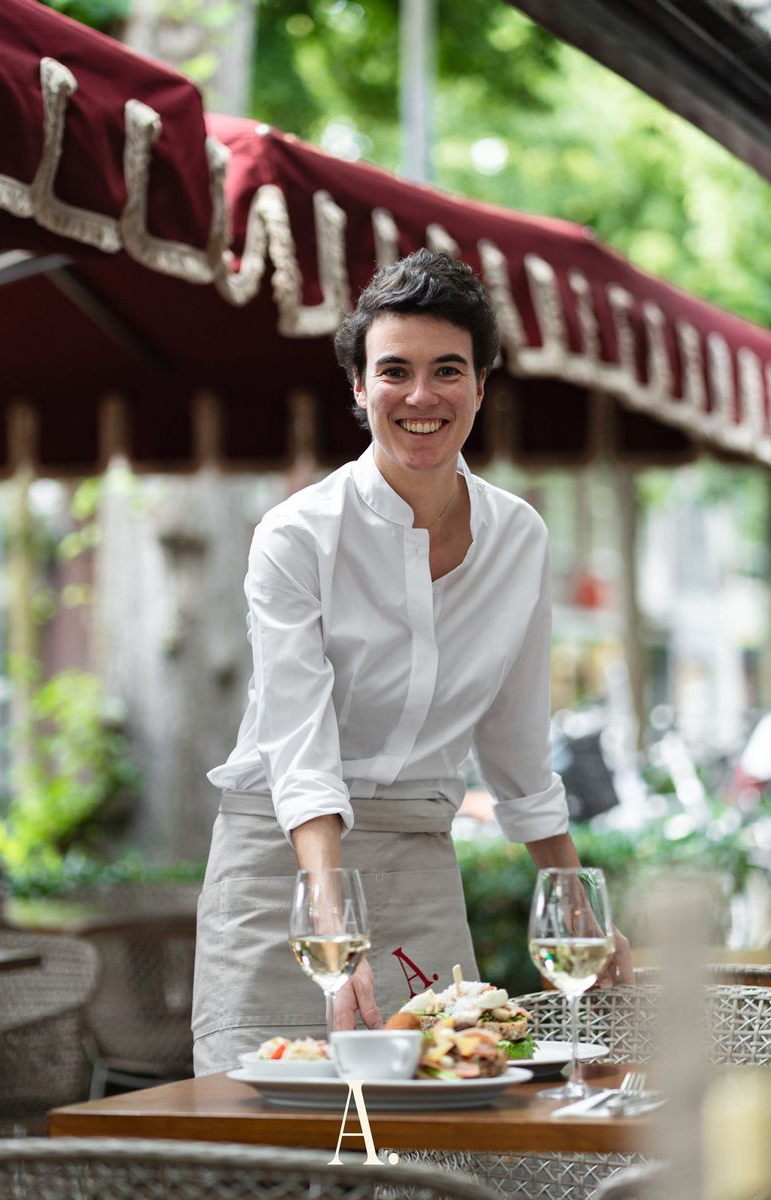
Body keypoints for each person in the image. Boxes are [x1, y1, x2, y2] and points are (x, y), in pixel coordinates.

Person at [191, 249, 632, 1076]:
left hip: (421, 857)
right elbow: (299, 745)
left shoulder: (519, 538)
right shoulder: (296, 538)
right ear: (359, 387)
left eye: (448, 371)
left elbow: (516, 748)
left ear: (481, 386)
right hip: (282, 869)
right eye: (394, 370)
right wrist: (331, 926)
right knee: (258, 1130)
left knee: (436, 1127)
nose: (421, 396)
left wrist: (575, 903)